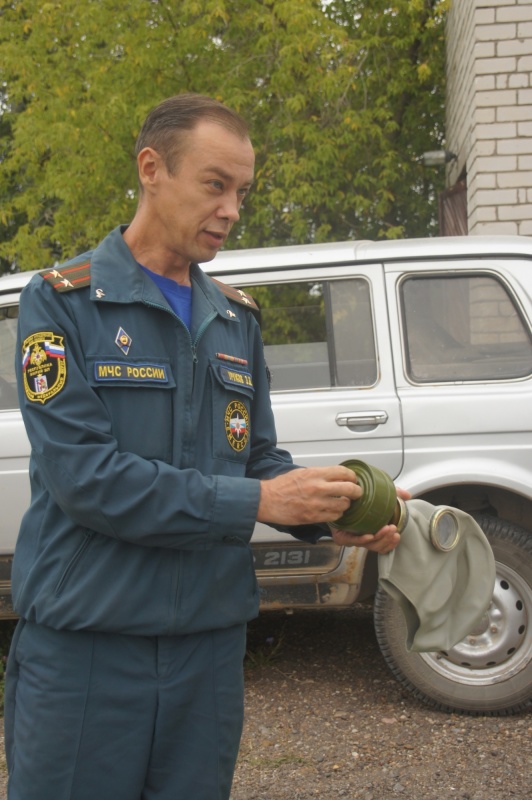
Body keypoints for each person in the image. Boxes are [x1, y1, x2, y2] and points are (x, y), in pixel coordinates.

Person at [5, 93, 404, 800]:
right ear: (152, 169)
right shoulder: (63, 301)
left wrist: (328, 509)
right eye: (215, 185)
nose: (231, 210)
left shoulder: (234, 318)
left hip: (208, 654)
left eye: (242, 192)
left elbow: (258, 461)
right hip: (88, 652)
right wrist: (259, 498)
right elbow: (84, 477)